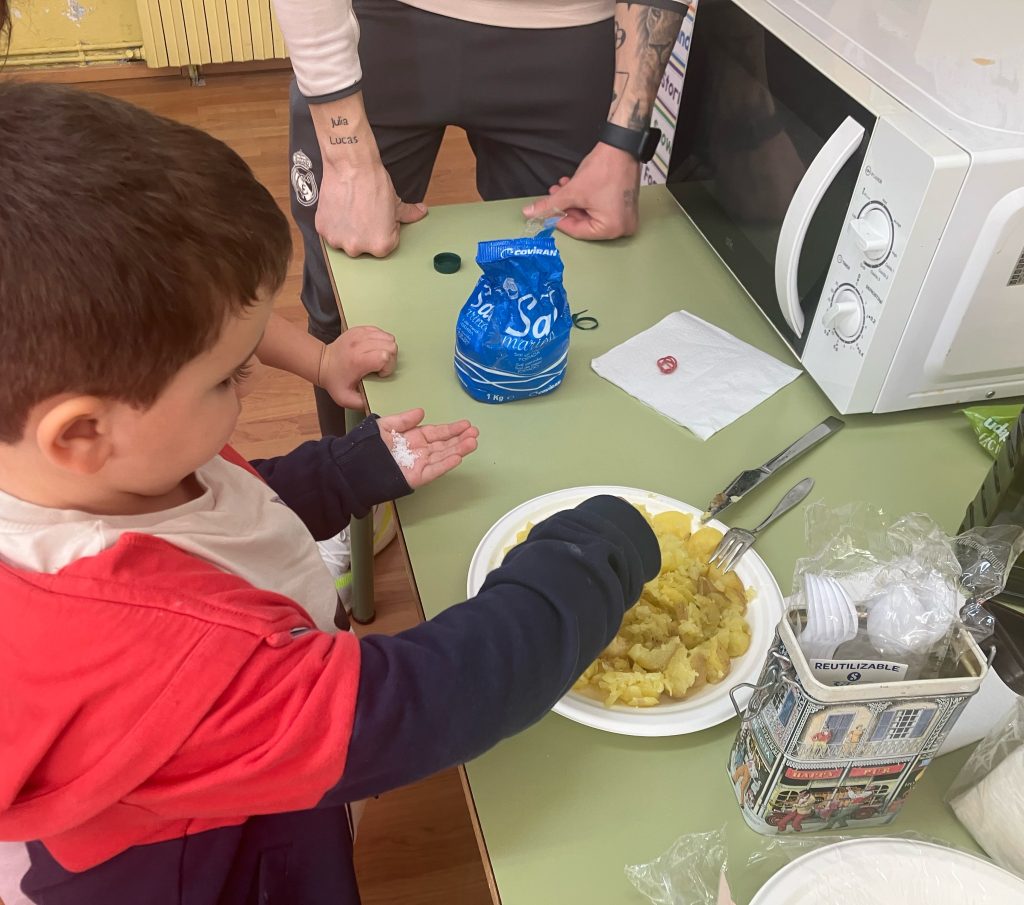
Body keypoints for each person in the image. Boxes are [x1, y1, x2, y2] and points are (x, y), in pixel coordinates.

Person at [0, 83, 661, 905]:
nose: (250, 383)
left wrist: (343, 472)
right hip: (227, 871)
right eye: (228, 377)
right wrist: (590, 560)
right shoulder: (162, 667)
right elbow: (421, 704)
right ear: (79, 433)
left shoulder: (82, 473)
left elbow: (206, 516)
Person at [273, 0, 690, 435]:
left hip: (567, 36)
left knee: (557, 299)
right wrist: (348, 160)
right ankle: (342, 472)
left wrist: (624, 139)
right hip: (378, 33)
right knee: (339, 298)